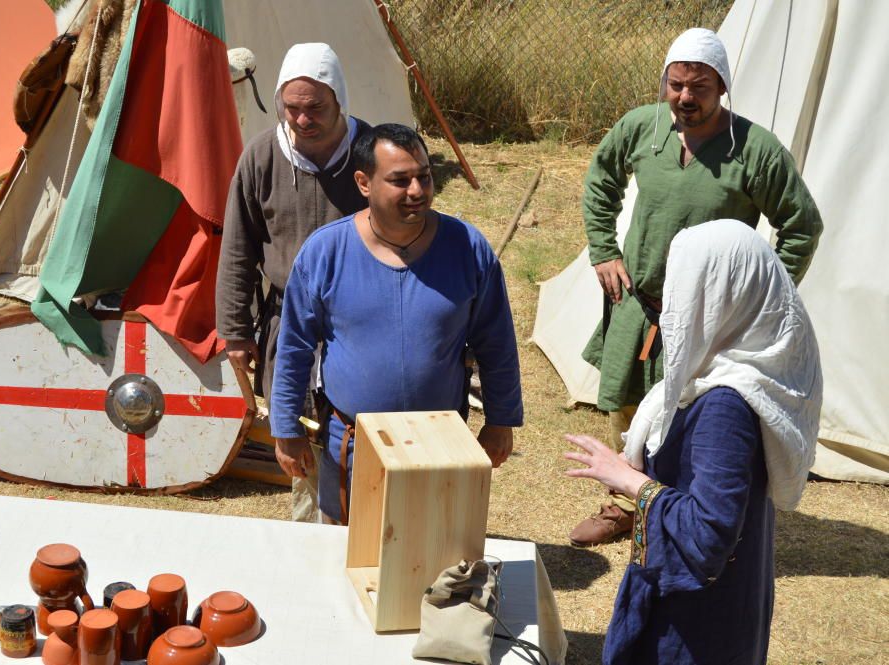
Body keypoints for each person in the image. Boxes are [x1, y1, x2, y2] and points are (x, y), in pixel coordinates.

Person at [570, 27, 823, 546]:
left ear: (722, 86)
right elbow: (600, 180)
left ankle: (682, 512)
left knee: (693, 416)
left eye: (699, 87)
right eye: (676, 84)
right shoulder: (642, 128)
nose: (685, 97)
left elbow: (802, 226)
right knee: (628, 407)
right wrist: (604, 250)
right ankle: (625, 506)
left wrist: (758, 303)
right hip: (642, 307)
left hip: (710, 320)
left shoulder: (756, 151)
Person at [565, 219, 822, 665]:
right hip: (718, 606)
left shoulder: (726, 405)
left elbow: (708, 537)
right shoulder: (734, 373)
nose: (670, 304)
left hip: (697, 627)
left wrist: (630, 482)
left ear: (725, 293)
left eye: (688, 285)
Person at [268, 123, 522, 524]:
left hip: (441, 443)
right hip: (351, 445)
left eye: (424, 176)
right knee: (347, 554)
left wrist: (501, 419)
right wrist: (286, 428)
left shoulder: (467, 249)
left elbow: (497, 344)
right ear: (364, 182)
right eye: (400, 180)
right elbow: (294, 347)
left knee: (435, 552)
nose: (417, 191)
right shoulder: (325, 252)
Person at [215, 43, 372, 522]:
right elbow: (239, 248)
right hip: (291, 321)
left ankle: (369, 527)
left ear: (339, 99)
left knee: (364, 437)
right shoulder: (262, 156)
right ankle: (312, 533)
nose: (303, 120)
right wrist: (236, 330)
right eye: (293, 108)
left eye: (316, 108)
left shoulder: (373, 151)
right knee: (299, 436)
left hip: (363, 319)